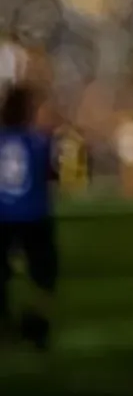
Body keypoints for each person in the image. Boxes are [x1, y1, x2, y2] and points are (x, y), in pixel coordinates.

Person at [0, 83, 58, 349]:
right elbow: (49, 175)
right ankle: (38, 323)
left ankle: (6, 323)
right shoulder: (40, 141)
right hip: (34, 214)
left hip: (2, 214)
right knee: (44, 274)